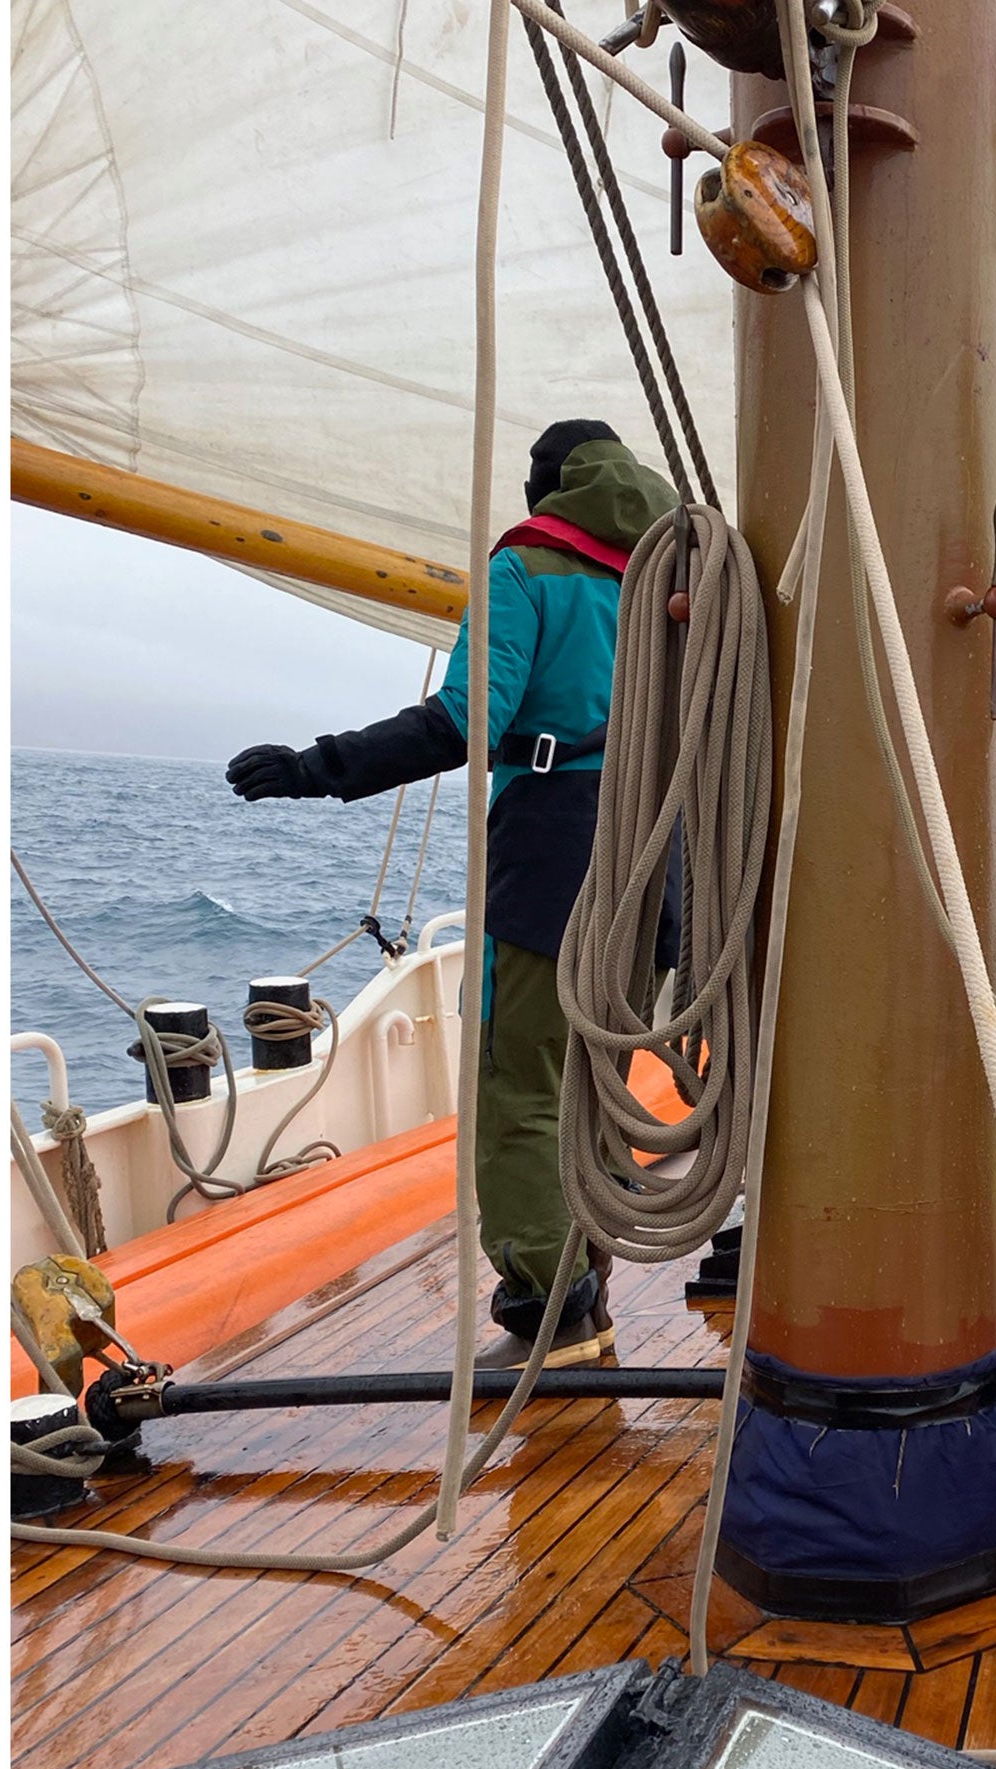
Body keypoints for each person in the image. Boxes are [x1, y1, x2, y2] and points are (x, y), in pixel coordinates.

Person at [226, 420, 679, 1369]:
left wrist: (318, 767)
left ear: (549, 487)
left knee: (521, 1079)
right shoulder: (671, 572)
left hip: (552, 847)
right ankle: (585, 1272)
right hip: (653, 852)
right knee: (595, 1068)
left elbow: (464, 720)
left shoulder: (527, 571)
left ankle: (548, 1307)